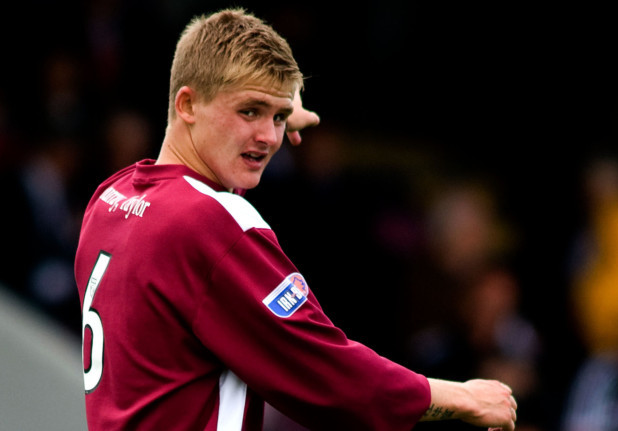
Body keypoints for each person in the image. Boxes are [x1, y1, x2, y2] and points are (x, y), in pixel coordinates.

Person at [74, 8, 517, 431]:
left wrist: (266, 113)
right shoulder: (211, 226)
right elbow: (327, 373)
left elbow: (203, 204)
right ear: (187, 105)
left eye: (279, 117)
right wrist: (460, 397)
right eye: (249, 111)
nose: (269, 136)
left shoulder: (111, 197)